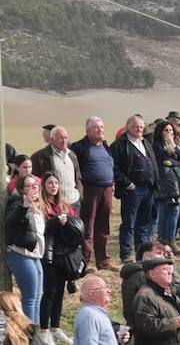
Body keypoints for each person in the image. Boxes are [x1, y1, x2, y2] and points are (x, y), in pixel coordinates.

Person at [5, 175, 50, 345]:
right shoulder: (16, 203)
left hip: (35, 256)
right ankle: (28, 337)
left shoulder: (38, 206)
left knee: (39, 296)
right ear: (22, 189)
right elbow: (11, 222)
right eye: (29, 186)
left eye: (36, 185)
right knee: (30, 298)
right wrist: (24, 204)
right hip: (20, 254)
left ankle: (35, 334)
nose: (34, 188)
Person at [41, 173, 84, 345]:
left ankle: (55, 327)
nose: (53, 186)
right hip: (50, 255)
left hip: (65, 255)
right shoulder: (41, 205)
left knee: (59, 293)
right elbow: (41, 228)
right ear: (43, 185)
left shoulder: (64, 205)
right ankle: (43, 330)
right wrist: (56, 221)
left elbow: (76, 225)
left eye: (56, 183)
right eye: (50, 183)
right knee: (49, 292)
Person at [70, 117, 118, 272]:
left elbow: (110, 166)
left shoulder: (105, 146)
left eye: (102, 127)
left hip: (107, 190)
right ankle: (87, 262)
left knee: (104, 227)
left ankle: (104, 261)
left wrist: (112, 183)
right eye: (96, 127)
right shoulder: (80, 147)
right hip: (89, 191)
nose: (100, 130)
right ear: (88, 130)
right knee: (88, 227)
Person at [111, 115, 158, 264]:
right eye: (136, 127)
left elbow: (152, 162)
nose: (139, 130)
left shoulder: (145, 142)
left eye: (141, 127)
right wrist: (127, 183)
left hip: (148, 188)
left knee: (144, 223)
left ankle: (142, 252)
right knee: (129, 224)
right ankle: (126, 254)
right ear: (128, 127)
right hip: (132, 190)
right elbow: (114, 167)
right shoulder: (119, 145)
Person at [152, 121, 180, 253]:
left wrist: (175, 159)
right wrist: (177, 163)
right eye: (166, 130)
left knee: (169, 209)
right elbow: (162, 160)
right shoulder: (157, 145)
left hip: (175, 180)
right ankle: (168, 239)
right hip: (165, 180)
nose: (169, 133)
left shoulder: (172, 145)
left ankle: (165, 239)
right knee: (171, 208)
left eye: (171, 130)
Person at [30, 126, 82, 212]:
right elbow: (36, 181)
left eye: (65, 137)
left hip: (74, 203)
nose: (64, 140)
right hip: (53, 205)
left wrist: (79, 194)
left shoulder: (72, 155)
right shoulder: (39, 157)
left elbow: (78, 178)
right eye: (60, 138)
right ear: (51, 139)